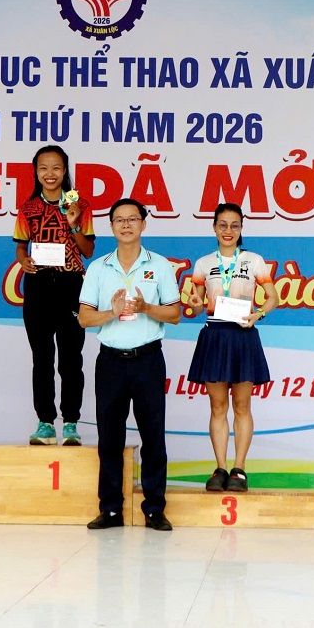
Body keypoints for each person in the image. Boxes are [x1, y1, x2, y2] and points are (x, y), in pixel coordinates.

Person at [79, 199, 181, 531]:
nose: (126, 225)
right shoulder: (99, 268)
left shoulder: (160, 265)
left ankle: (154, 509)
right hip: (110, 362)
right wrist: (112, 312)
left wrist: (146, 307)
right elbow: (84, 318)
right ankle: (110, 509)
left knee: (154, 437)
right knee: (109, 438)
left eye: (132, 219)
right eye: (119, 220)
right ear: (111, 226)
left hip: (148, 360)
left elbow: (175, 314)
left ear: (143, 224)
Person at [186, 203, 277, 493]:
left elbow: (272, 297)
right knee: (217, 406)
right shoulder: (203, 263)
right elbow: (197, 303)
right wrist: (195, 304)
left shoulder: (254, 260)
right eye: (223, 225)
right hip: (215, 335)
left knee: (242, 405)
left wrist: (258, 314)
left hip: (242, 335)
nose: (228, 230)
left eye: (234, 225)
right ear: (214, 228)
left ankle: (239, 469)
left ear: (241, 229)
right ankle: (220, 468)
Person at [12, 146, 95, 446]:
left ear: (65, 171)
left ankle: (71, 422)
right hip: (38, 285)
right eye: (44, 168)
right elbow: (21, 246)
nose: (50, 174)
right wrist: (22, 260)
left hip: (71, 285)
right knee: (42, 358)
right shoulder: (27, 208)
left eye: (56, 168)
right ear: (36, 172)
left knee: (71, 358)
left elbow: (88, 250)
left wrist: (74, 225)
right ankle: (45, 422)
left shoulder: (80, 205)